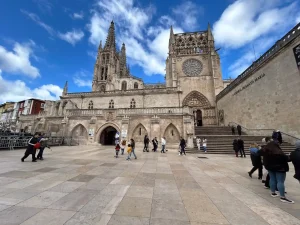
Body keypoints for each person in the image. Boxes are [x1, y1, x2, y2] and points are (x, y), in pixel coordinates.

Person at [263, 138, 294, 203]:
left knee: (272, 179)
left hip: (270, 167)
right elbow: (287, 159)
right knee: (280, 181)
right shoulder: (279, 152)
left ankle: (273, 192)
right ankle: (282, 197)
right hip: (280, 168)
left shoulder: (266, 150)